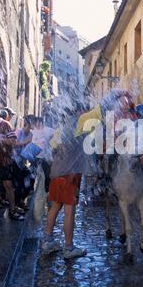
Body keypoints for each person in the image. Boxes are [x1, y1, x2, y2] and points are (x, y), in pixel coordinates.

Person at [41, 109, 94, 259]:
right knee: (69, 211)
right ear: (78, 113)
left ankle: (47, 241)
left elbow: (50, 150)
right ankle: (69, 248)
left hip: (56, 172)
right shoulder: (80, 127)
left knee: (56, 205)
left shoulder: (60, 130)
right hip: (70, 176)